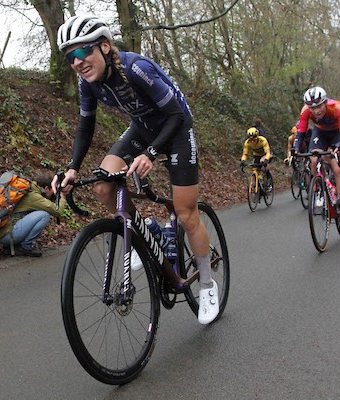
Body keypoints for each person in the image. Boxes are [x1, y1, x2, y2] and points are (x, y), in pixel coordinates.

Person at [53, 14, 219, 324]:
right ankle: (149, 230)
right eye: (69, 57)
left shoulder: (135, 68)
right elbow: (86, 126)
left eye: (82, 52)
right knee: (104, 185)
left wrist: (152, 154)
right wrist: (72, 168)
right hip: (142, 129)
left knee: (186, 212)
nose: (76, 62)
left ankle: (208, 283)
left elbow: (176, 115)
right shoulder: (87, 83)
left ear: (104, 47)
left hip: (177, 128)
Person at [291, 86, 340, 227]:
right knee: (313, 159)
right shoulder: (305, 111)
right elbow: (300, 133)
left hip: (338, 134)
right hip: (320, 133)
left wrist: (337, 147)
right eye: (312, 108)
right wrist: (295, 150)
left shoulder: (338, 108)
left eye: (318, 106)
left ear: (325, 102)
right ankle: (319, 189)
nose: (316, 111)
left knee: (338, 169)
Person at [0, 172, 67, 257]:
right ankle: (25, 247)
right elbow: (57, 211)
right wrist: (63, 196)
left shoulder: (29, 189)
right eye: (53, 189)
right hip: (7, 235)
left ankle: (15, 245)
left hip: (2, 233)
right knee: (44, 215)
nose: (54, 192)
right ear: (46, 188)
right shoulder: (33, 196)